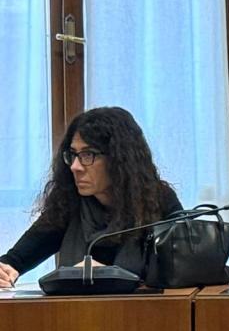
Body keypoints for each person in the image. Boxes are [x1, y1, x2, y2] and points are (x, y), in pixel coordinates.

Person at [0, 107, 181, 287]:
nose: (75, 167)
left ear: (119, 159)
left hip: (145, 313)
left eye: (88, 155)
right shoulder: (69, 203)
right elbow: (15, 260)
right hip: (78, 314)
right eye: (72, 155)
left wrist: (110, 276)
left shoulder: (159, 200)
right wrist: (6, 270)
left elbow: (180, 271)